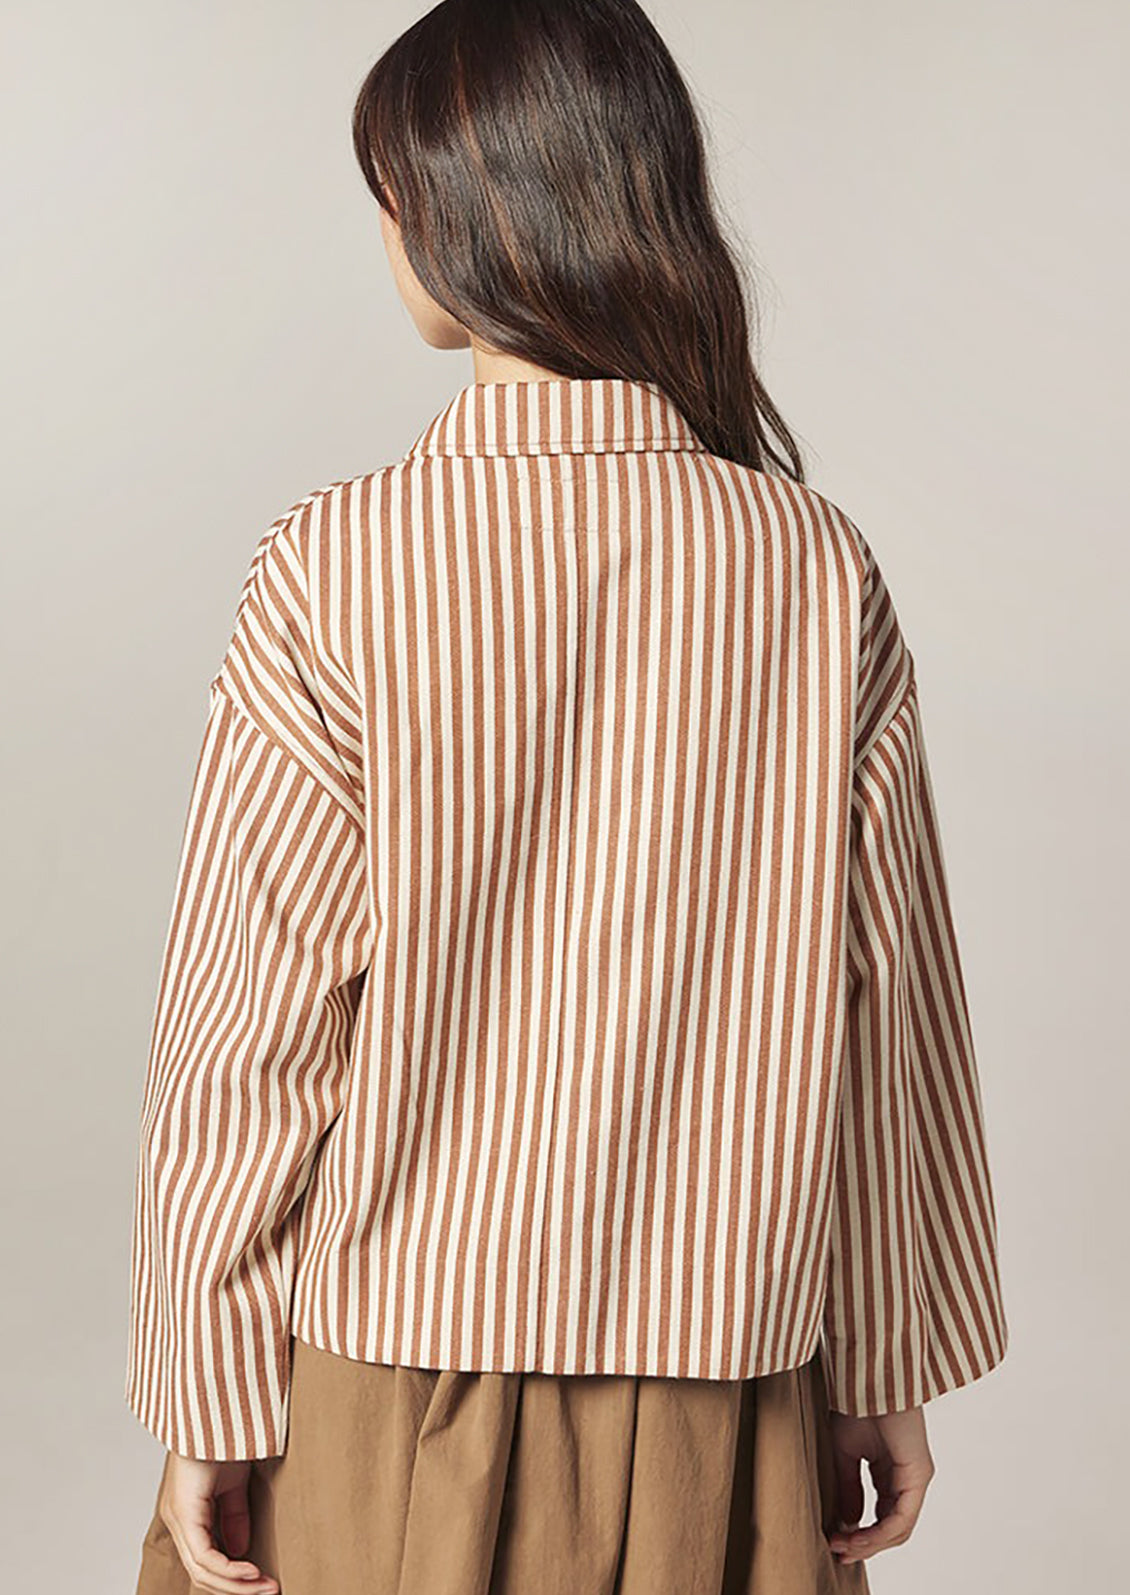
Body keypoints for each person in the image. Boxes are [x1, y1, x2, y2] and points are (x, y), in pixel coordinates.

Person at [126, 2, 1009, 1592]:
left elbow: (246, 1035)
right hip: (727, 1399)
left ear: (465, 211)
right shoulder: (815, 570)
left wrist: (210, 1385)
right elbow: (889, 1026)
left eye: (391, 194)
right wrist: (881, 1367)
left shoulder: (332, 568)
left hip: (393, 1394)